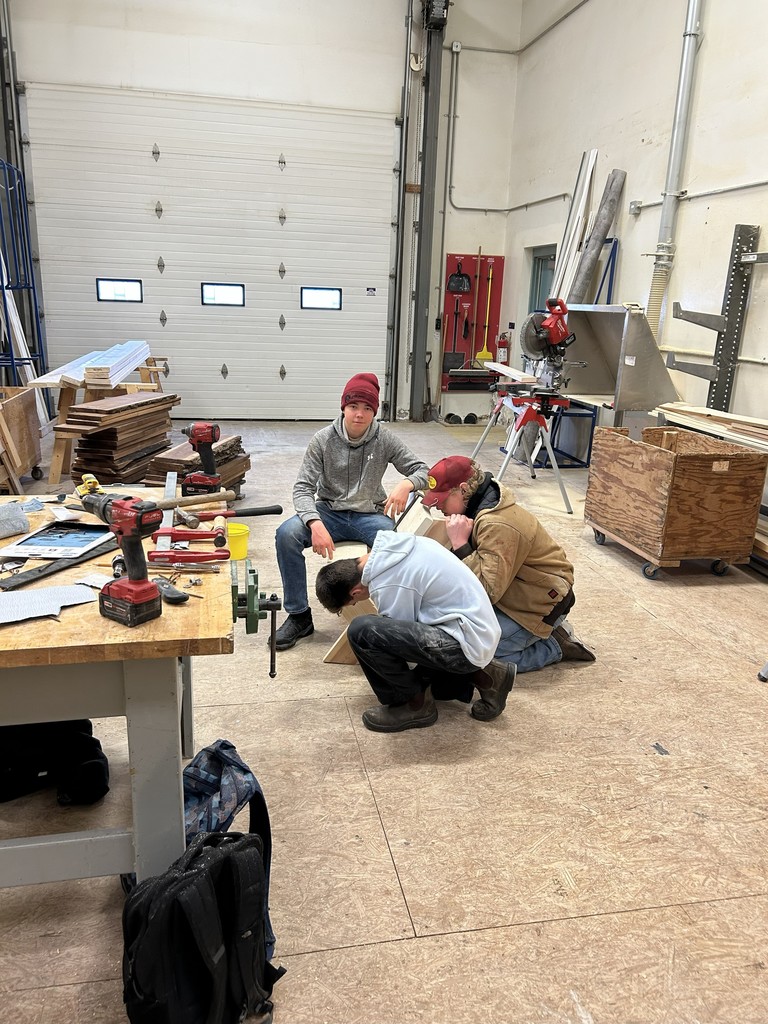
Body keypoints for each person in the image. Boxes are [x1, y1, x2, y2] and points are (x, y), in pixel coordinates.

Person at [274, 372, 429, 650]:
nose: (360, 414)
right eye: (354, 406)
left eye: (367, 408)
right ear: (343, 407)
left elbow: (424, 472)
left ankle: (390, 616)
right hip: (328, 511)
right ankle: (299, 616)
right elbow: (302, 488)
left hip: (368, 514)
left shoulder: (385, 439)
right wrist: (314, 523)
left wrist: (407, 483)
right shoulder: (322, 440)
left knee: (396, 543)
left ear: (374, 412)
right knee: (287, 534)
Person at [315, 531, 516, 732]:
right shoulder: (394, 549)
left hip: (466, 639)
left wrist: (404, 685)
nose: (358, 602)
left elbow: (397, 646)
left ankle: (414, 704)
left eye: (353, 602)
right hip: (474, 631)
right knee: (439, 688)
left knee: (362, 631)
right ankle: (490, 676)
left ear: (355, 592)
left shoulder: (388, 582)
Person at [421, 455, 595, 671]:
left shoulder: (497, 524)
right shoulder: (479, 504)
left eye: (443, 500)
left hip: (540, 603)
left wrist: (461, 545)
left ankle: (554, 645)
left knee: (474, 655)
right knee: (455, 634)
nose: (439, 507)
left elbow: (486, 590)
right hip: (515, 592)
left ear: (464, 490)